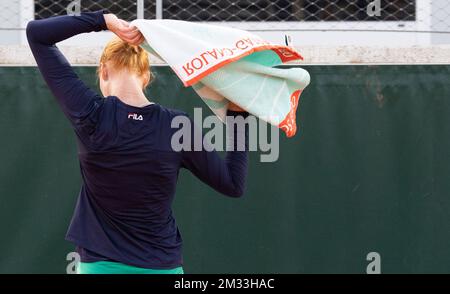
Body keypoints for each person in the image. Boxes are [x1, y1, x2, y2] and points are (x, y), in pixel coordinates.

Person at [26, 10, 249, 274]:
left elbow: (37, 34)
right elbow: (232, 184)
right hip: (162, 267)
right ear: (146, 76)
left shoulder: (91, 114)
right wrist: (238, 117)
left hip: (100, 266)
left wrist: (103, 20)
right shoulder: (177, 126)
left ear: (103, 72)